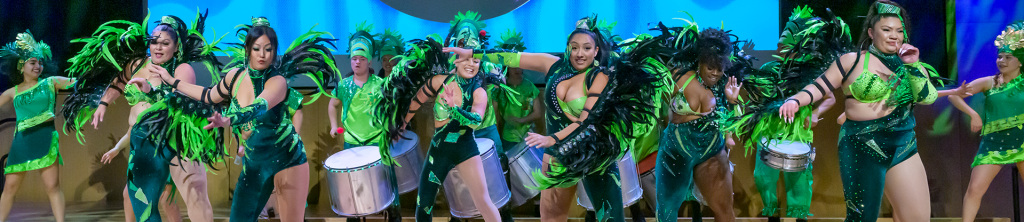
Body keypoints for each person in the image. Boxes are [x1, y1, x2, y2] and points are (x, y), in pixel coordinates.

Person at [445, 15, 665, 222]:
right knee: (551, 218)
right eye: (575, 47)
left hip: (594, 156)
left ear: (596, 50)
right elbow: (511, 57)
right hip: (557, 158)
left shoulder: (601, 76)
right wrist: (472, 53)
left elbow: (587, 121)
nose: (580, 53)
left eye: (587, 48)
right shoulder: (552, 65)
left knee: (611, 218)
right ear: (568, 47)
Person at [778, 1, 969, 221]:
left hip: (903, 145)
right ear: (871, 32)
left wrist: (912, 64)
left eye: (899, 31)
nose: (894, 36)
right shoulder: (852, 61)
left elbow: (927, 98)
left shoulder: (912, 66)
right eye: (886, 30)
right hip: (861, 146)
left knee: (917, 218)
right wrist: (795, 100)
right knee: (863, 217)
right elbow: (818, 87)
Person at [150, 17, 336, 221]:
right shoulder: (235, 76)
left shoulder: (277, 81)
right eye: (257, 49)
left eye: (268, 49)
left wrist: (228, 120)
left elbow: (258, 108)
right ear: (247, 49)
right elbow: (209, 95)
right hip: (254, 162)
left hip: (287, 158)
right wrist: (172, 81)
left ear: (274, 51)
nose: (262, 55)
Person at [64, 12, 222, 222]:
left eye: (165, 43)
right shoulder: (137, 64)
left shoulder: (182, 69)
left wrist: (150, 91)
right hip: (142, 141)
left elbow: (175, 104)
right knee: (137, 198)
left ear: (176, 47)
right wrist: (104, 103)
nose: (158, 47)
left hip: (171, 141)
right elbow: (118, 82)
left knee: (189, 195)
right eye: (154, 41)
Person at [375, 38, 502, 222]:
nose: (471, 64)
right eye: (466, 59)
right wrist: (403, 123)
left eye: (475, 61)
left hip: (465, 150)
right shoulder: (438, 82)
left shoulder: (478, 92)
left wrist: (453, 108)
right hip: (438, 151)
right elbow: (417, 101)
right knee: (424, 204)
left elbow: (475, 121)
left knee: (483, 201)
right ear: (456, 60)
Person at [950, 21, 1024, 222]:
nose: (1002, 61)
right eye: (1000, 56)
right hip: (994, 142)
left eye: (1008, 57)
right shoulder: (989, 82)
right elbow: (954, 95)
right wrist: (973, 114)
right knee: (974, 189)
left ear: (1020, 61)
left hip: (1022, 139)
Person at [0, 30, 74, 222]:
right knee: (9, 188)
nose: (38, 66)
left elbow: (77, 83)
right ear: (21, 65)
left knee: (52, 186)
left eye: (40, 62)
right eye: (32, 62)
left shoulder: (51, 82)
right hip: (21, 143)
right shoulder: (12, 92)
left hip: (44, 138)